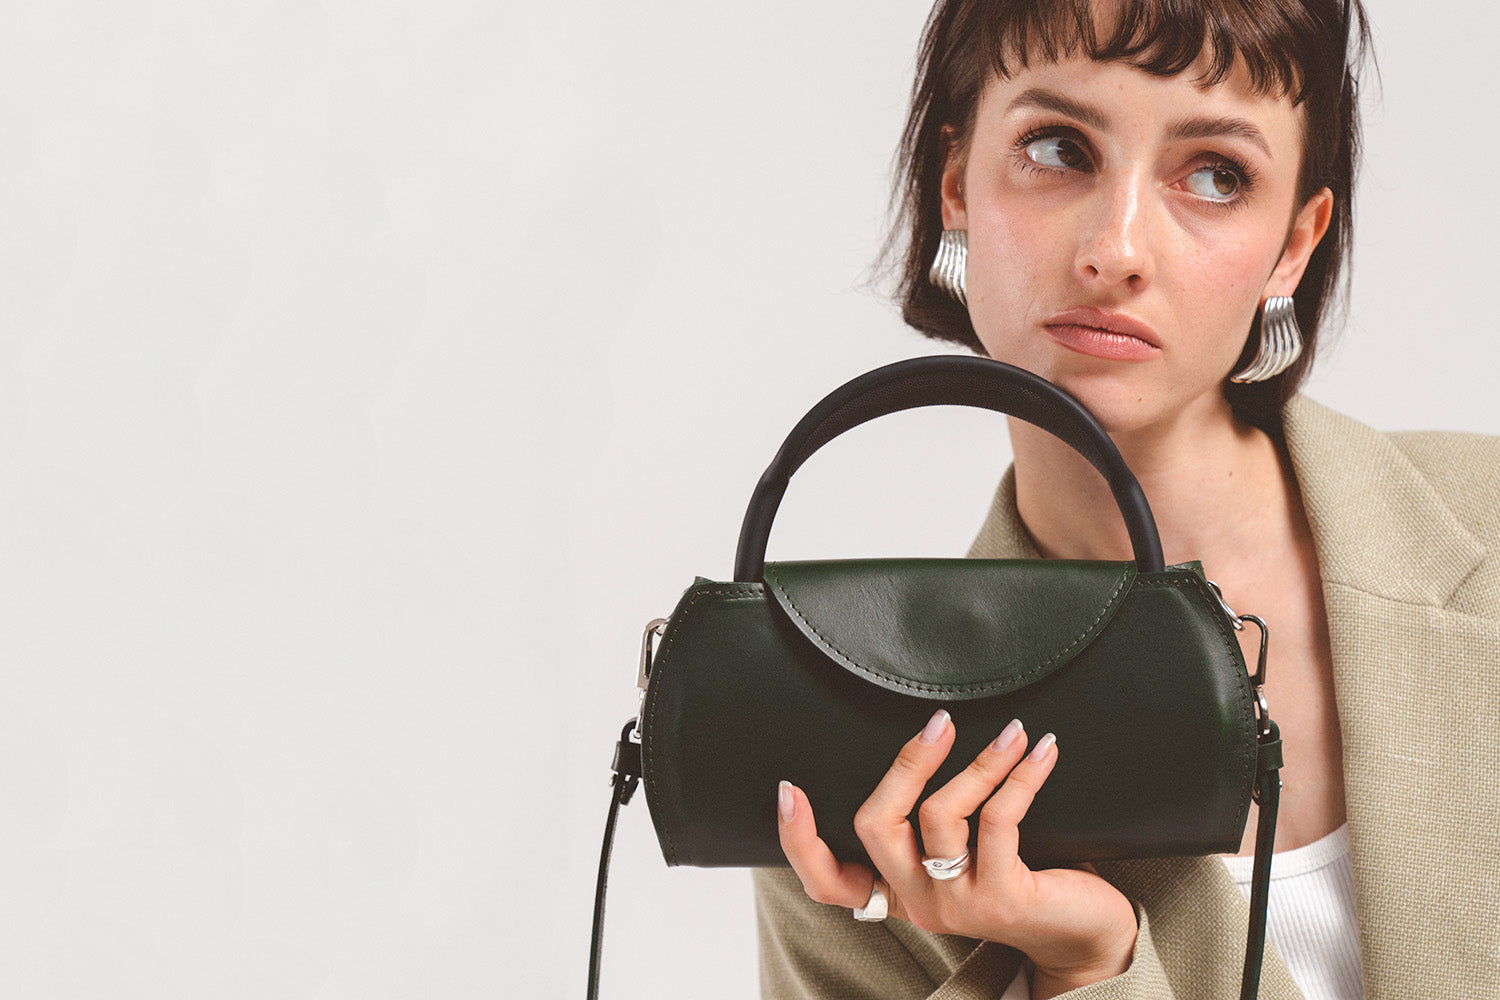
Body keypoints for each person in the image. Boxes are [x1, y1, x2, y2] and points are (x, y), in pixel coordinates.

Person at [753, 1, 1500, 997]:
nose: (1116, 249)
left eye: (1214, 175)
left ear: (1294, 241)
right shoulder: (851, 769)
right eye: (1058, 148)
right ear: (956, 184)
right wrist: (1083, 969)